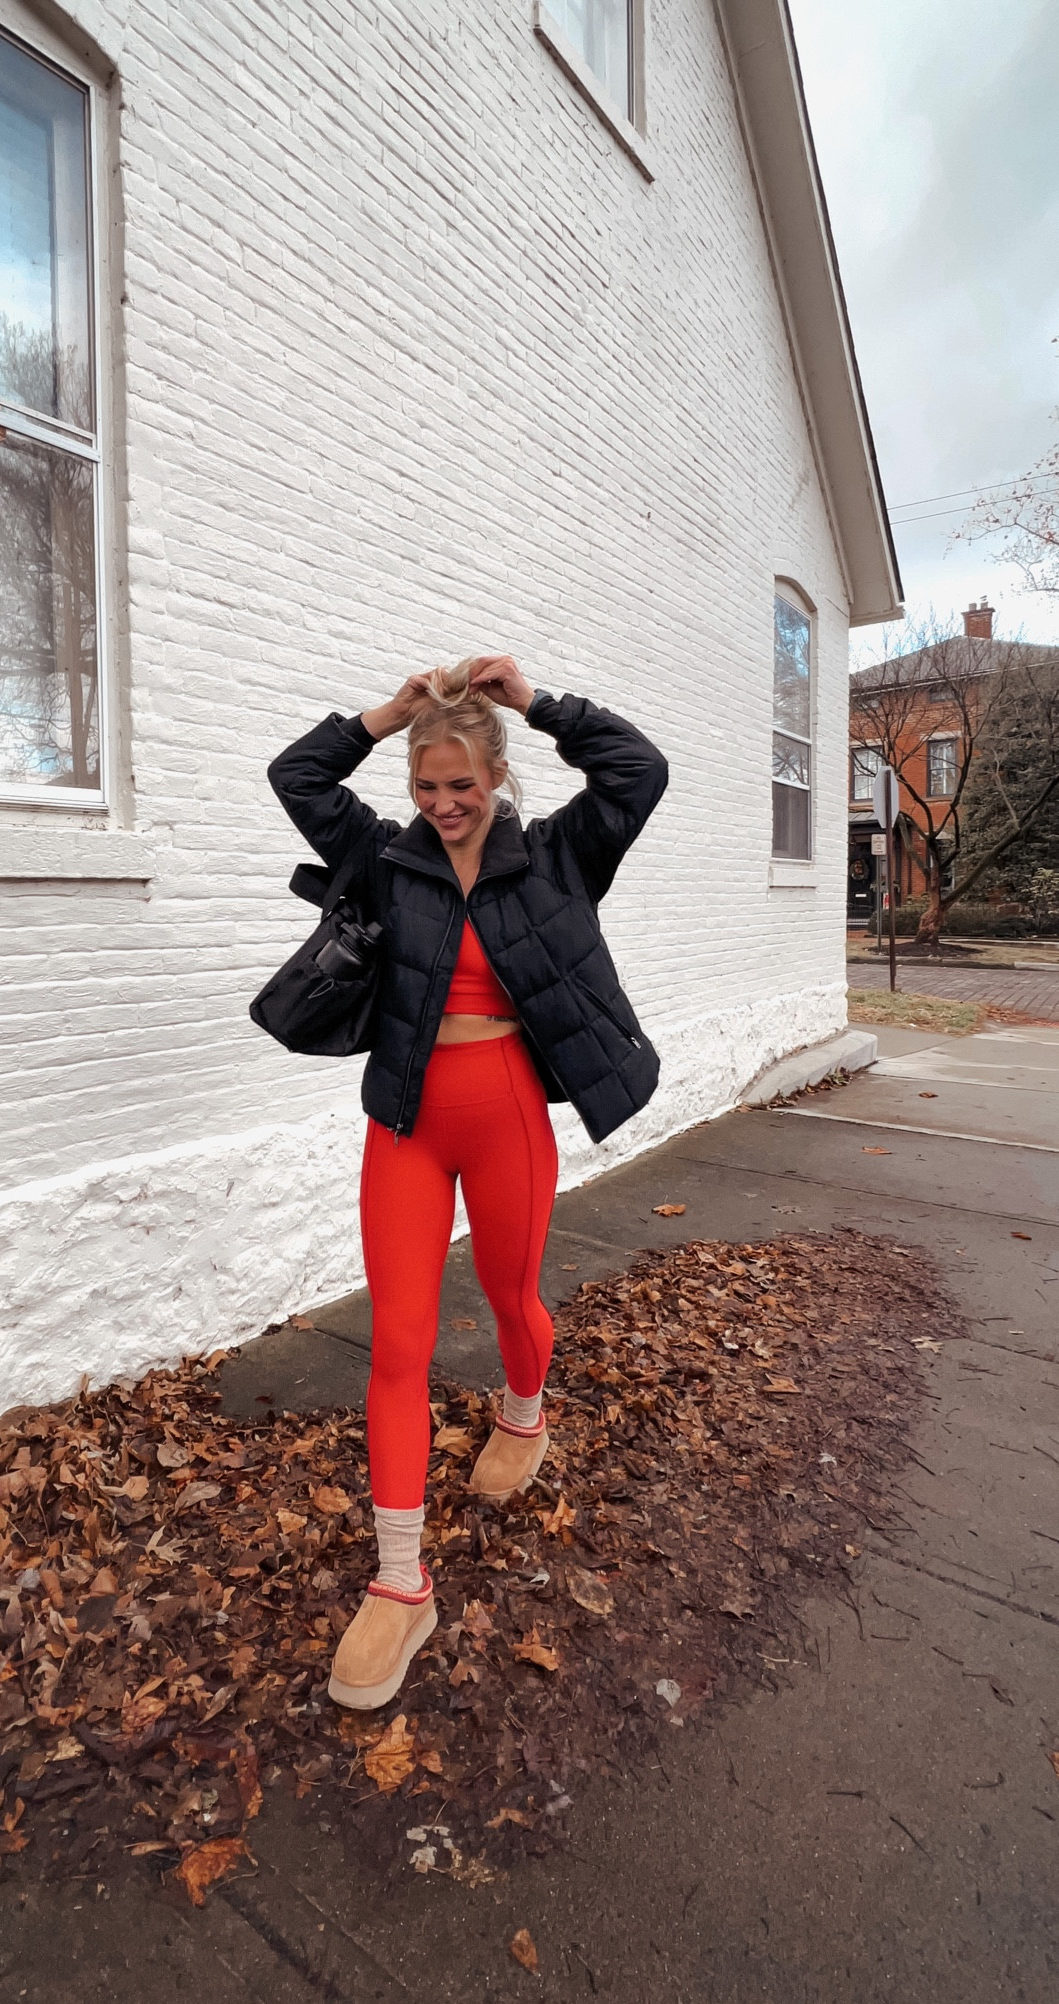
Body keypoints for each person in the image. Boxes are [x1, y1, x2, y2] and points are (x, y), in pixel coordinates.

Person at [266, 656, 667, 1709]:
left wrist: (536, 704)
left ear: (497, 774)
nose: (444, 805)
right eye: (426, 785)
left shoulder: (562, 855)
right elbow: (297, 777)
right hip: (405, 1117)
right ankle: (400, 1583)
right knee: (396, 1339)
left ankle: (524, 1415)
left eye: (463, 785)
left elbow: (638, 767)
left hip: (507, 1119)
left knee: (509, 1298)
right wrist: (389, 714)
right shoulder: (383, 858)